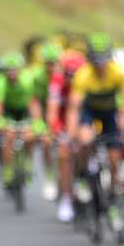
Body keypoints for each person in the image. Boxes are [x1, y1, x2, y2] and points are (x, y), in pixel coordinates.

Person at [66, 33, 124, 227]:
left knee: (114, 157)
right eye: (96, 60)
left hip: (110, 112)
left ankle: (112, 191)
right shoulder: (83, 75)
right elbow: (74, 108)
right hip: (90, 112)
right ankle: (81, 177)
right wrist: (73, 134)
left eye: (103, 59)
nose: (100, 64)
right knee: (86, 140)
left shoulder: (118, 72)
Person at [0, 53, 43, 192]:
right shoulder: (0, 82)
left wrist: (37, 121)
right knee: (9, 137)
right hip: (8, 110)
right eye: (9, 70)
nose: (12, 73)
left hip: (24, 110)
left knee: (29, 136)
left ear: (20, 70)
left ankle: (28, 163)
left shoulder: (27, 80)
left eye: (15, 70)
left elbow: (33, 103)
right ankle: (7, 169)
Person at [48, 50, 86, 222]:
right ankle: (66, 198)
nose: (71, 78)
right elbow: (52, 112)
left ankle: (85, 177)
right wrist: (56, 130)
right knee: (64, 153)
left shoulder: (86, 82)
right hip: (64, 121)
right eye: (68, 74)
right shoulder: (56, 82)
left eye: (75, 75)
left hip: (83, 120)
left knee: (85, 144)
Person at [28, 42, 63, 200]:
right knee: (46, 142)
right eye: (48, 63)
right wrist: (38, 122)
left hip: (62, 110)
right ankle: (49, 177)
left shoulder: (65, 74)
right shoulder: (37, 76)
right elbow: (34, 100)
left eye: (54, 62)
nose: (51, 66)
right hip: (43, 109)